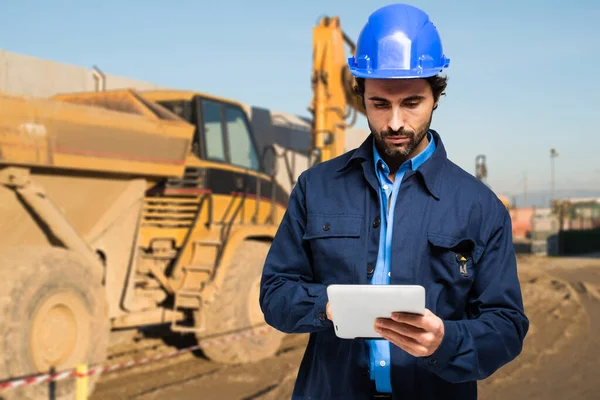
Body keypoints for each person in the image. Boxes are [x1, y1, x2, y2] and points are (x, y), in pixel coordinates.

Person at [259, 3, 529, 399]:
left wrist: (446, 340)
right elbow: (275, 292)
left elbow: (506, 325)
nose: (396, 122)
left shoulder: (479, 206)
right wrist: (329, 305)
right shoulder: (314, 187)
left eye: (412, 103)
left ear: (436, 96)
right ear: (361, 96)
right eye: (380, 104)